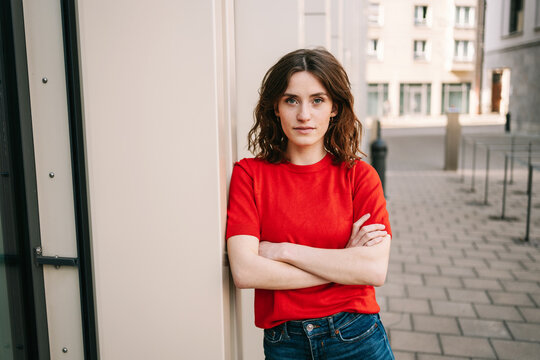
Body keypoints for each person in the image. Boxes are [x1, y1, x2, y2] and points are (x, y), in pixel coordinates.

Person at [226, 48, 394, 360]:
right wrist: (343, 264)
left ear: (334, 108)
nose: (304, 114)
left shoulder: (360, 177)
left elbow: (373, 269)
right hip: (285, 343)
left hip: (356, 335)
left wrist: (284, 251)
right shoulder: (249, 175)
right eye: (292, 100)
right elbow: (246, 271)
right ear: (276, 107)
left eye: (317, 100)